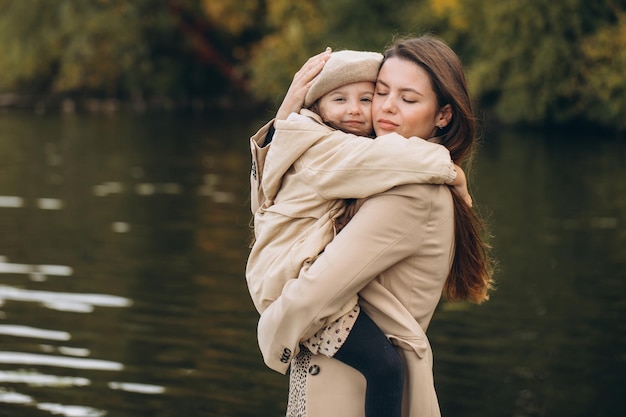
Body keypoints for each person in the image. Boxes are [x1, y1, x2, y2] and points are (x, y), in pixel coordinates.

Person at [254, 35, 495, 417]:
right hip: (336, 384)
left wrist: (270, 333)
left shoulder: (410, 193)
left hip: (353, 397)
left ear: (443, 115)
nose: (386, 108)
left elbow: (318, 289)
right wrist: (287, 118)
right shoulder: (374, 171)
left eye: (408, 99)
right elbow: (280, 208)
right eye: (381, 92)